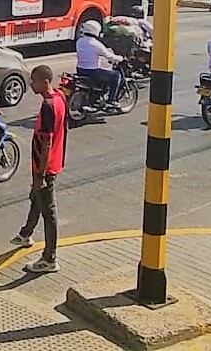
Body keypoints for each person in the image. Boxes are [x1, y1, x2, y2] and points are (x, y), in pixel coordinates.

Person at [10, 65, 67, 274]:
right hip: (51, 163)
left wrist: (40, 175)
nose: (30, 84)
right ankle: (25, 233)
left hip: (46, 167)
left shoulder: (48, 106)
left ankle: (50, 258)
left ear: (44, 82)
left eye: (33, 81)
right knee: (36, 199)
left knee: (48, 211)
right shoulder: (59, 98)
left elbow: (47, 143)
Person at [75, 19, 123, 105]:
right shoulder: (96, 44)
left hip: (80, 69)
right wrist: (120, 58)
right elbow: (109, 56)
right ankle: (111, 100)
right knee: (116, 75)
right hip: (93, 72)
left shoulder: (79, 41)